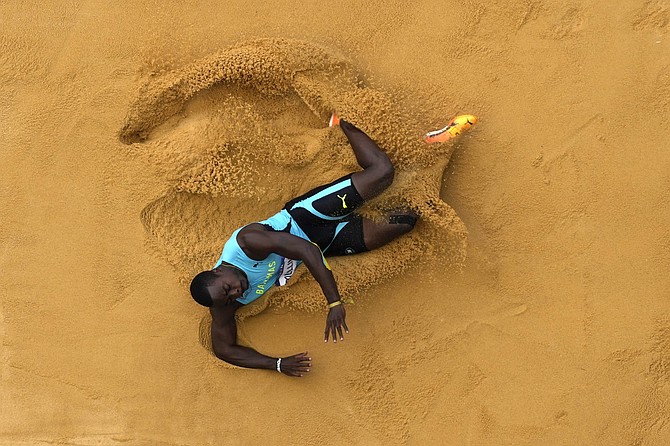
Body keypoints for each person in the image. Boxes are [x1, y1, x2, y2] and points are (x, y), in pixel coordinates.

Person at [190, 116, 418, 377]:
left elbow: (306, 251)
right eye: (230, 297)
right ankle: (419, 180)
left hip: (307, 218)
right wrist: (276, 364)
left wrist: (334, 303)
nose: (237, 292)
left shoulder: (245, 245)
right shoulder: (224, 303)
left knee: (383, 172)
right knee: (405, 221)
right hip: (326, 242)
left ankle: (342, 119)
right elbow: (224, 349)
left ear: (218, 270)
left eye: (228, 288)